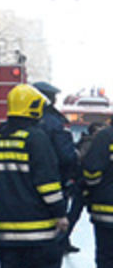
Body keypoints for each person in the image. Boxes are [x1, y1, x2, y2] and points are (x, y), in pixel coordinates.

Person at [0, 84, 73, 268]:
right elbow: (47, 182)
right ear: (34, 107)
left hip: (6, 226)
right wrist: (60, 213)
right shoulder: (36, 138)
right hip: (37, 225)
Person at [33, 81, 81, 253]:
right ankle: (58, 244)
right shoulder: (53, 122)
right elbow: (65, 154)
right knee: (56, 214)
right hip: (55, 177)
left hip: (30, 181)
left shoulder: (29, 120)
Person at [82, 122, 113, 268]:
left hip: (107, 209)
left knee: (107, 257)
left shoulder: (105, 137)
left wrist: (94, 188)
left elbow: (91, 171)